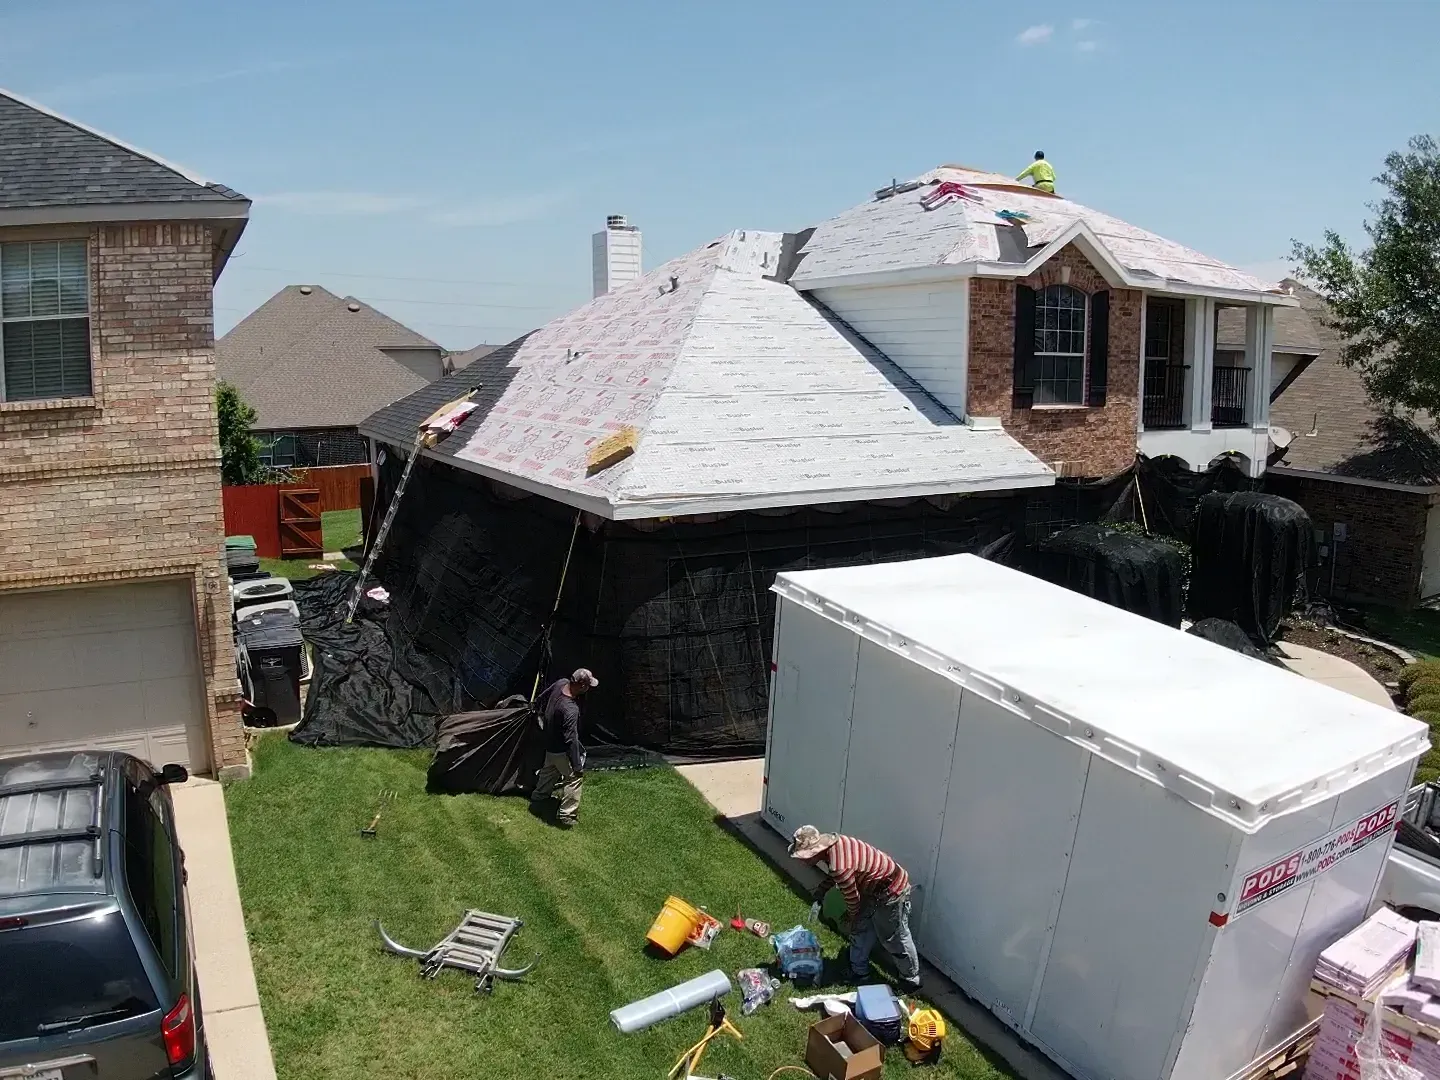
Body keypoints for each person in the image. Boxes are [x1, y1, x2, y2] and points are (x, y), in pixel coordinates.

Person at [788, 824, 920, 991]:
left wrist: (852, 917)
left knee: (894, 938)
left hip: (892, 891)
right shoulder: (836, 846)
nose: (802, 861)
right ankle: (860, 972)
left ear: (815, 852)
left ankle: (911, 980)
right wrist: (822, 890)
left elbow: (853, 900)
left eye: (803, 857)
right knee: (860, 929)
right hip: (874, 887)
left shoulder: (839, 867)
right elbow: (840, 875)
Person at [529, 668, 598, 828]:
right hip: (561, 750)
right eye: (588, 685)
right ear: (581, 685)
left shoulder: (560, 683)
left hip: (549, 743)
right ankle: (567, 815)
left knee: (549, 770)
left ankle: (539, 797)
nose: (588, 689)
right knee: (574, 779)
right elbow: (571, 740)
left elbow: (541, 698)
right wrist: (576, 765)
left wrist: (535, 708)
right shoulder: (570, 710)